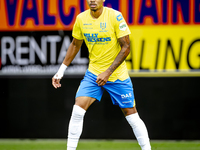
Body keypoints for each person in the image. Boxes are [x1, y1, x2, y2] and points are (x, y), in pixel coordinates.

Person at [52, 0, 151, 150]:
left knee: (131, 116)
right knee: (78, 110)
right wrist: (60, 71)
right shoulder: (81, 18)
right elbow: (75, 44)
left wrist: (108, 72)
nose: (92, 0)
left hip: (117, 75)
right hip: (94, 74)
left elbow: (126, 47)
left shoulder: (115, 17)